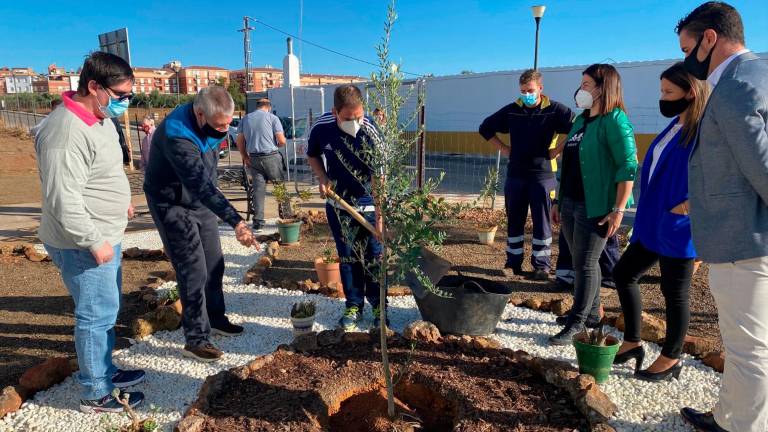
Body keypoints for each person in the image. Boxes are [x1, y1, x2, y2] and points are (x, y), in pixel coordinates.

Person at [674, 3, 768, 431]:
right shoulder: (756, 75)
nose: (687, 58)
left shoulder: (733, 87)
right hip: (747, 235)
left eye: (688, 47)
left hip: (744, 241)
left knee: (748, 348)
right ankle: (729, 417)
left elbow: (762, 167)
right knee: (747, 344)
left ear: (710, 38)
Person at [35, 52, 145, 413]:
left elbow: (103, 172)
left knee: (106, 309)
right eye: (120, 96)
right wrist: (93, 240)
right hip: (82, 241)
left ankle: (106, 371)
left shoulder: (99, 119)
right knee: (94, 314)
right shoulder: (64, 133)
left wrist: (122, 202)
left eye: (130, 96)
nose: (125, 103)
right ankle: (94, 391)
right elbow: (63, 199)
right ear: (93, 86)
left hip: (104, 231)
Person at [143, 86, 258, 362]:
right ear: (199, 114)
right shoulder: (177, 134)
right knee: (192, 269)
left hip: (199, 201)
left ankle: (216, 318)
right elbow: (200, 184)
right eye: (220, 125)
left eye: (229, 124)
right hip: (171, 203)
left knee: (214, 263)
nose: (224, 130)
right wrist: (236, 222)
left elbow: (207, 181)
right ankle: (196, 338)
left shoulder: (210, 125)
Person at [612, 62, 709, 382]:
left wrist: (691, 205)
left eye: (669, 92)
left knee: (674, 291)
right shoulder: (675, 126)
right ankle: (633, 341)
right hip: (653, 223)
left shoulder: (706, 129)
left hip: (681, 227)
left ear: (690, 93)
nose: (662, 98)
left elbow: (723, 175)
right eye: (661, 91)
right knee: (624, 273)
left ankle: (671, 358)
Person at [548, 64, 637, 346]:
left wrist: (619, 208)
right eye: (582, 83)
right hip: (571, 202)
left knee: (585, 264)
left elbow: (628, 166)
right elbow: (568, 165)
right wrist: (558, 201)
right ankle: (590, 315)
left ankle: (577, 321)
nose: (581, 89)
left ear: (603, 87)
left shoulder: (615, 120)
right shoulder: (580, 120)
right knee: (582, 261)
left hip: (596, 205)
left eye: (586, 84)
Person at [479, 69, 573, 280]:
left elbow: (577, 127)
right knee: (514, 220)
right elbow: (485, 128)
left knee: (542, 222)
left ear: (540, 88)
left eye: (530, 90)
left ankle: (541, 265)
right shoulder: (513, 110)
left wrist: (557, 150)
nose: (526, 94)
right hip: (516, 175)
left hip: (543, 176)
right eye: (523, 91)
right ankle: (513, 263)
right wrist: (504, 148)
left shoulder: (555, 110)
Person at [306, 85, 384, 331]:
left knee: (374, 256)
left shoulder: (371, 131)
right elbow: (312, 155)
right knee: (348, 255)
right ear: (335, 112)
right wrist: (322, 177)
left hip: (368, 202)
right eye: (349, 119)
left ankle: (379, 306)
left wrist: (380, 219)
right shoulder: (322, 127)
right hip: (338, 203)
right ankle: (353, 305)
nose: (355, 123)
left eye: (359, 116)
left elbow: (379, 178)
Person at [234, 98, 286, 232]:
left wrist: (245, 156)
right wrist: (280, 142)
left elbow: (239, 140)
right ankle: (286, 217)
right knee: (279, 186)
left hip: (254, 158)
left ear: (257, 107)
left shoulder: (245, 119)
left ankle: (258, 223)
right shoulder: (273, 118)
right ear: (268, 106)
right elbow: (281, 141)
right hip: (271, 157)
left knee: (258, 190)